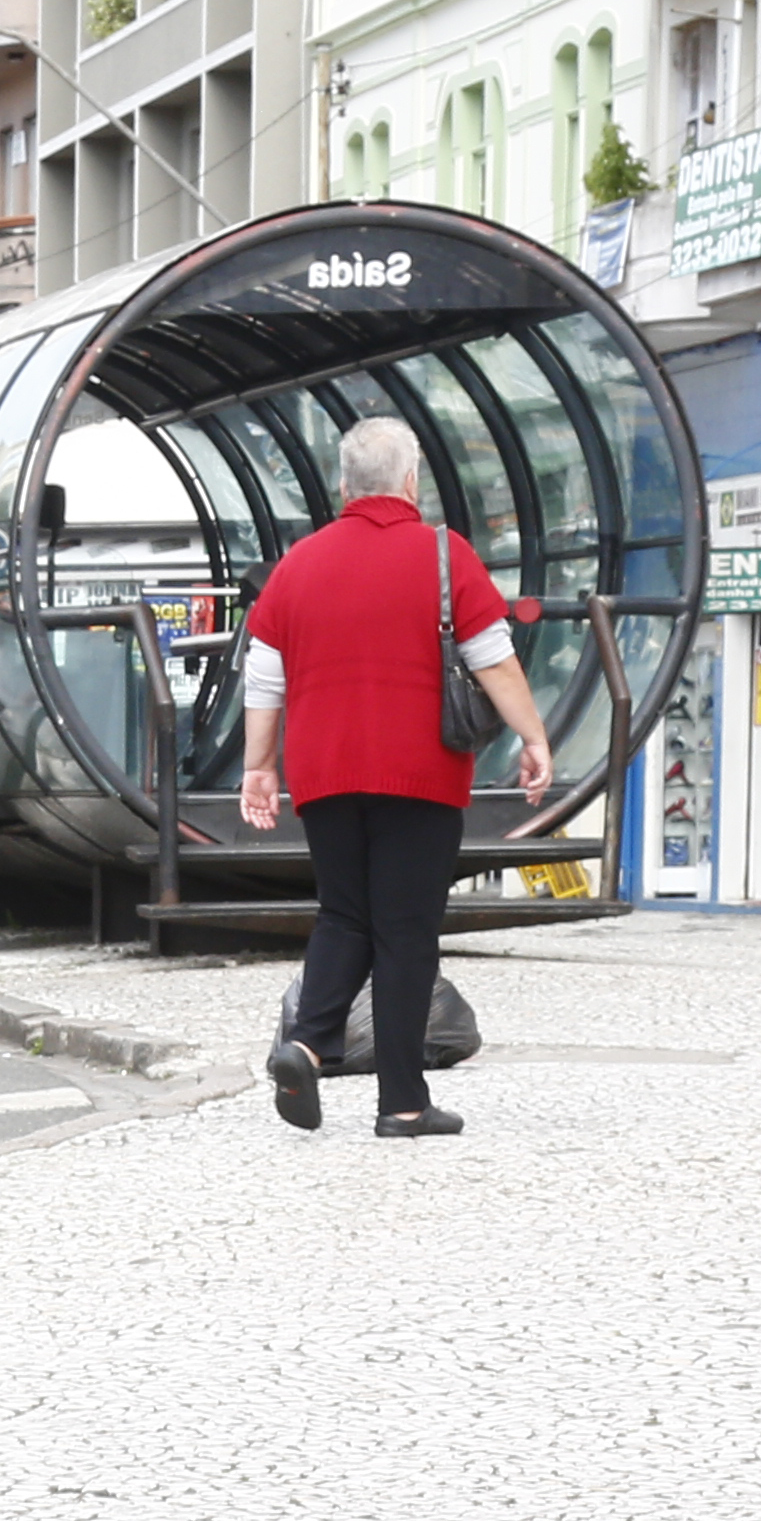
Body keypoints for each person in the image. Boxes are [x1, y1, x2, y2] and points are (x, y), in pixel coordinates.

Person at [240, 419, 556, 1138]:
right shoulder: (447, 555)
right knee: (406, 931)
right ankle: (403, 1103)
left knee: (345, 913)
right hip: (420, 771)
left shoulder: (300, 563)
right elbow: (492, 659)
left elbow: (264, 671)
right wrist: (534, 737)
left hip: (324, 772)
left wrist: (260, 766)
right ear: (413, 480)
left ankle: (310, 1043)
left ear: (344, 485)